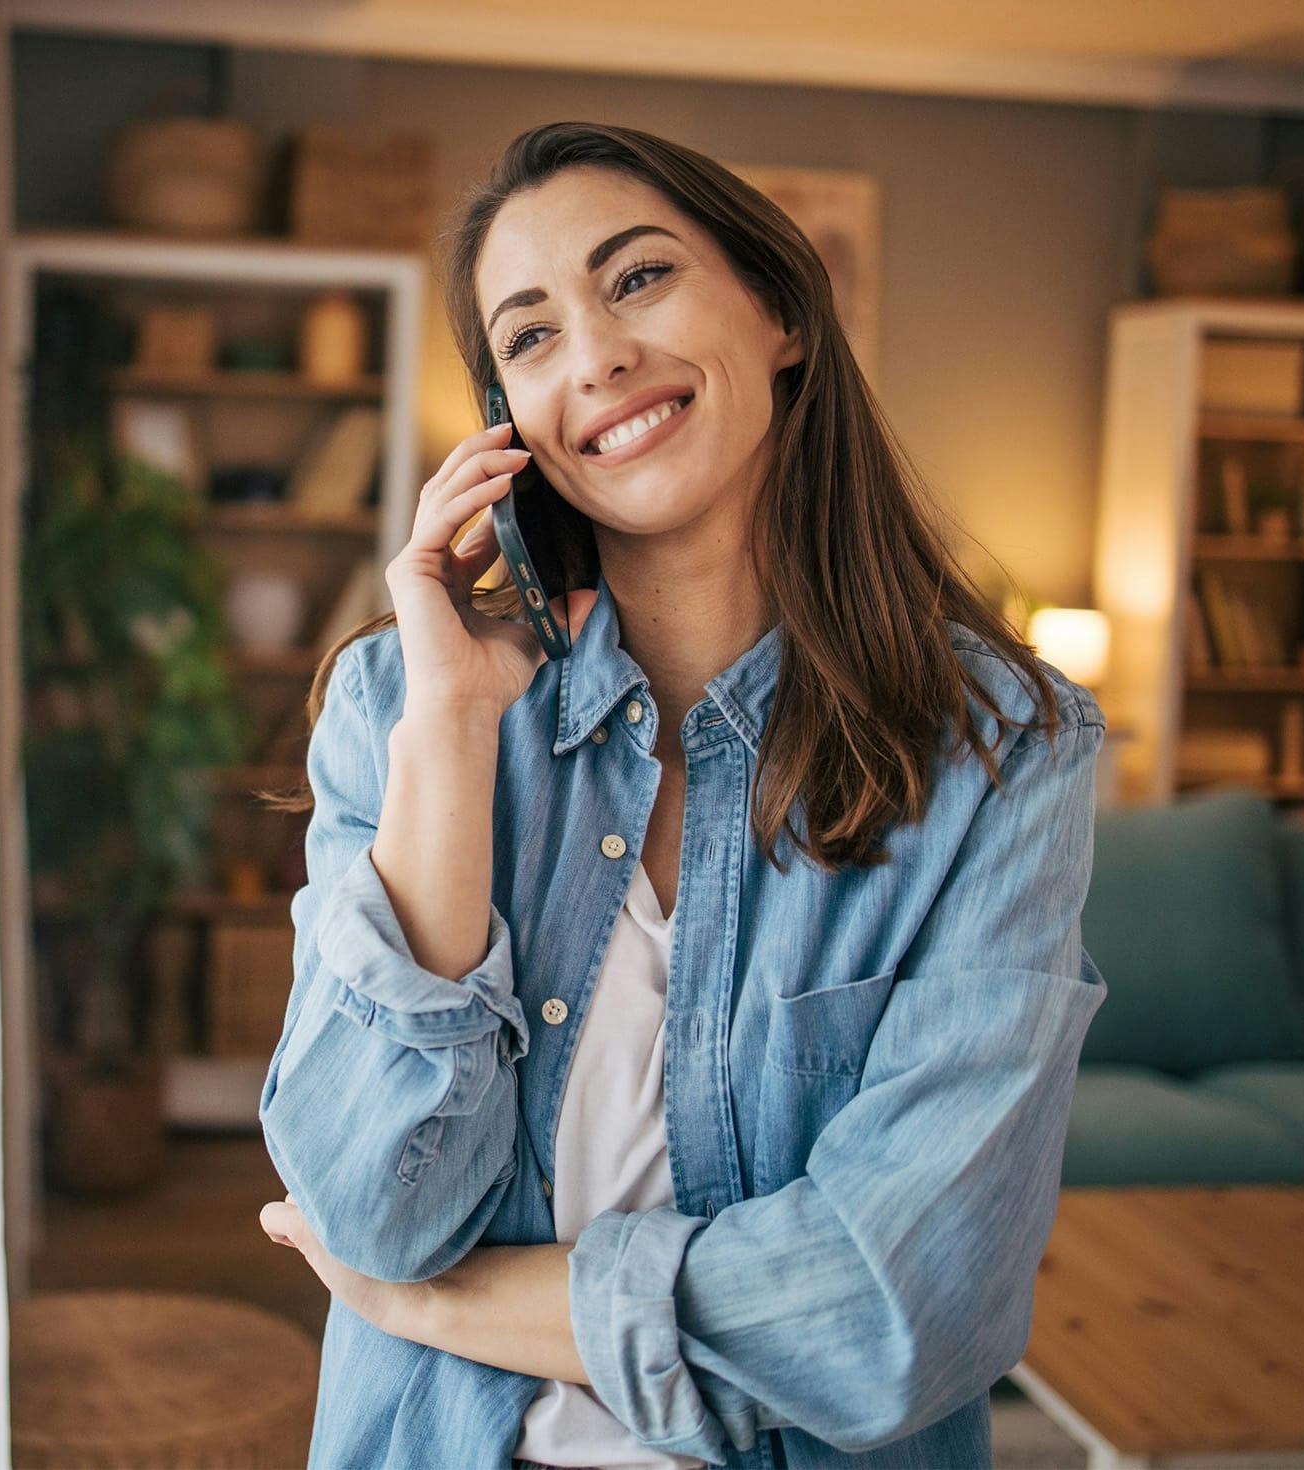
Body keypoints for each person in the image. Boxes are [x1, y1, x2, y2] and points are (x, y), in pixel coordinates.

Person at [257, 120, 1108, 1470]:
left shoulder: (1002, 748)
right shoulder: (402, 704)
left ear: (776, 309)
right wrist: (451, 736)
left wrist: (435, 1303)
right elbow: (371, 1206)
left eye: (637, 278)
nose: (593, 356)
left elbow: (896, 1307)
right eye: (527, 336)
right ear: (509, 426)